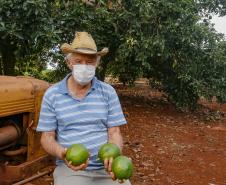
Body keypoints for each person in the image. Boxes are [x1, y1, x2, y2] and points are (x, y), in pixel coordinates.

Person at [36, 32, 131, 185]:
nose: (84, 66)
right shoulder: (52, 94)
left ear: (96, 64)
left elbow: (114, 132)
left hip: (105, 167)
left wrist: (114, 154)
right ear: (69, 63)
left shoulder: (108, 92)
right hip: (70, 169)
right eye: (78, 61)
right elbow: (46, 137)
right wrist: (63, 153)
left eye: (89, 62)